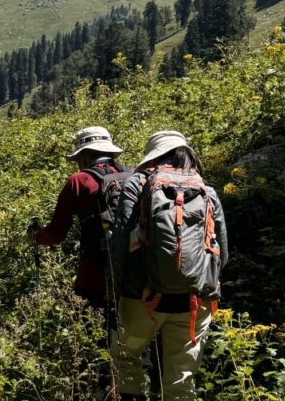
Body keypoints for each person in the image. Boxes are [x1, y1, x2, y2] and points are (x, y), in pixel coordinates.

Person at [108, 131, 228, 401]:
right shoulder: (206, 190)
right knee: (182, 378)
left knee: (126, 357)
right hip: (195, 301)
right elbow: (222, 250)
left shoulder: (138, 183)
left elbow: (120, 242)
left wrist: (116, 291)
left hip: (142, 296)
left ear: (153, 157)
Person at [27, 126, 128, 310]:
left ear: (84, 155)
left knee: (94, 324)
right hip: (135, 275)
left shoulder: (79, 181)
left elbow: (55, 235)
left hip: (94, 276)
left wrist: (36, 236)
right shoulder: (133, 175)